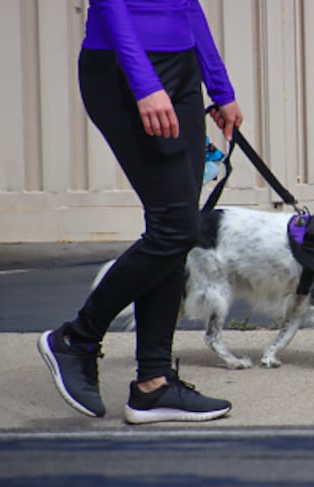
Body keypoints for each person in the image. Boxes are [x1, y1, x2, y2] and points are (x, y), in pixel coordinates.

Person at [37, 0, 243, 424]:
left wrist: (219, 87)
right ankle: (77, 338)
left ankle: (153, 384)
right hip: (125, 69)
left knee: (175, 227)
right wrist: (144, 84)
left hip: (181, 67)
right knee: (176, 229)